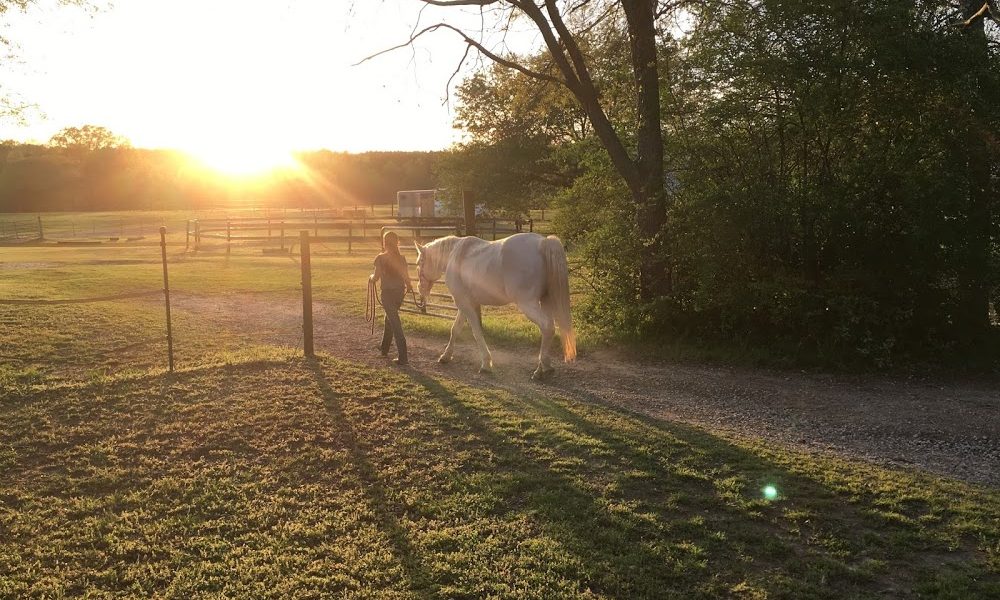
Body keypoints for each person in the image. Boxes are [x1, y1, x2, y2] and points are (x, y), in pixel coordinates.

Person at [370, 231, 413, 365]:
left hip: (387, 294)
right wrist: (409, 285)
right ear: (397, 242)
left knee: (395, 323)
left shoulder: (380, 258)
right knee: (389, 319)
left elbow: (375, 277)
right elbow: (406, 276)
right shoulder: (402, 258)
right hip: (399, 293)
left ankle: (403, 356)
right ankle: (384, 348)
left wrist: (370, 278)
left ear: (384, 242)